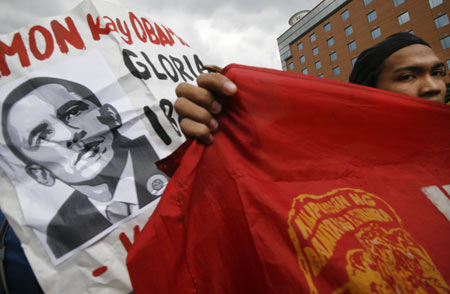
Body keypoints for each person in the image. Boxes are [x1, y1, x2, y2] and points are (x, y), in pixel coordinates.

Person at [174, 32, 447, 144]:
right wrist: (227, 129)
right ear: (371, 93)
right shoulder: (338, 162)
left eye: (438, 73)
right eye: (408, 77)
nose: (432, 87)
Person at [1, 77, 168, 258]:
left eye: (73, 113)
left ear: (109, 113)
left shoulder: (173, 156)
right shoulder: (57, 237)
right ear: (39, 174)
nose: (70, 134)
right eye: (42, 137)